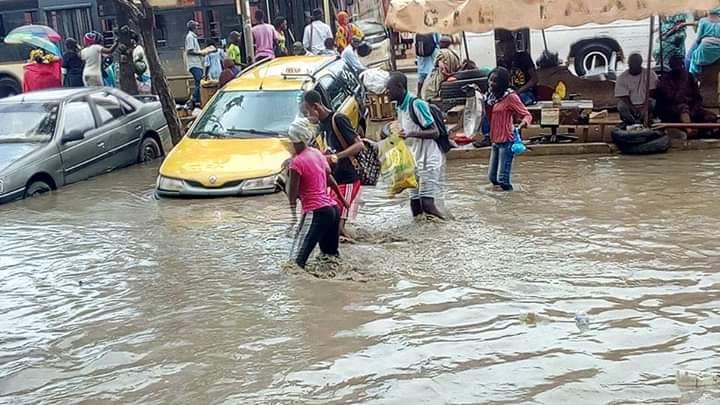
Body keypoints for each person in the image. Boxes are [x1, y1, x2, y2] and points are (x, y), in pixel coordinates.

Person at [302, 90, 365, 242]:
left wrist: (336, 156)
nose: (307, 117)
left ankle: (360, 251)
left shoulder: (338, 119)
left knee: (336, 227)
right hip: (334, 180)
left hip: (348, 178)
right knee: (330, 224)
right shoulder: (321, 125)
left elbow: (359, 145)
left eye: (307, 112)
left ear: (316, 106)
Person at [286, 118, 349, 269]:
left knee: (296, 262)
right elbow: (330, 179)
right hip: (333, 209)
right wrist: (342, 199)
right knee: (330, 256)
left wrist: (287, 176)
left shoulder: (296, 163)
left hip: (317, 212)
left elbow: (292, 195)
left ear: (294, 140)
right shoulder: (316, 153)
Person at [386, 72, 445, 220]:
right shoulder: (401, 107)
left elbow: (435, 132)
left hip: (429, 160)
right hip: (414, 161)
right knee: (415, 204)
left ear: (400, 87)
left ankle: (450, 226)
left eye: (389, 89)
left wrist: (411, 133)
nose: (387, 93)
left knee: (427, 204)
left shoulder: (417, 104)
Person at [484, 67, 532, 191]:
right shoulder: (489, 98)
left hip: (507, 140)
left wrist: (523, 124)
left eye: (494, 81)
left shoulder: (510, 97)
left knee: (503, 180)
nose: (491, 84)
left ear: (502, 84)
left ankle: (510, 203)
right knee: (492, 178)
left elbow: (526, 114)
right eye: (490, 80)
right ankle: (499, 203)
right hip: (495, 140)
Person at [656, 55, 717, 129]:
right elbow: (674, 99)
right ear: (671, 66)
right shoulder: (666, 79)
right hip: (671, 109)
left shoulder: (689, 76)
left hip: (691, 107)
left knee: (711, 116)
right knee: (683, 108)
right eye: (675, 64)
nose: (678, 67)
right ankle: (689, 129)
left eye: (679, 64)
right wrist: (682, 83)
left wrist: (695, 108)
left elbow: (697, 97)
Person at [615, 53, 658, 127]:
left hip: (646, 102)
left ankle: (648, 119)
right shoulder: (622, 77)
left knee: (653, 102)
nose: (634, 66)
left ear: (640, 64)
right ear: (628, 64)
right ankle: (631, 122)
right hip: (630, 104)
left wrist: (644, 107)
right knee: (621, 106)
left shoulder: (650, 74)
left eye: (636, 64)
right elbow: (624, 97)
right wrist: (633, 108)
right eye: (632, 64)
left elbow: (652, 93)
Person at [496, 29, 538, 105]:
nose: (507, 45)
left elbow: (534, 79)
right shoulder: (500, 63)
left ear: (514, 42)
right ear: (500, 46)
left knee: (518, 101)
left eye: (510, 41)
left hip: (525, 93)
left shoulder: (524, 57)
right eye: (504, 43)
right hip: (508, 95)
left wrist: (518, 91)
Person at [421, 35, 461, 101]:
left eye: (441, 43)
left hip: (442, 75)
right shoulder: (454, 53)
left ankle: (429, 99)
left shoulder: (441, 52)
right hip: (453, 73)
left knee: (428, 88)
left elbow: (436, 64)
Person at [689, 7, 720, 76]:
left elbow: (698, 38)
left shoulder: (703, 21)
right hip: (718, 50)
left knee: (691, 57)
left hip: (705, 49)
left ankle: (694, 77)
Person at [185, 20, 208, 106]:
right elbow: (189, 51)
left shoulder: (193, 37)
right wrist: (201, 53)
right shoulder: (190, 37)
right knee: (200, 82)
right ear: (194, 28)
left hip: (197, 63)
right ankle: (192, 99)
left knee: (199, 83)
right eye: (197, 27)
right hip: (194, 64)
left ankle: (197, 101)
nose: (199, 29)